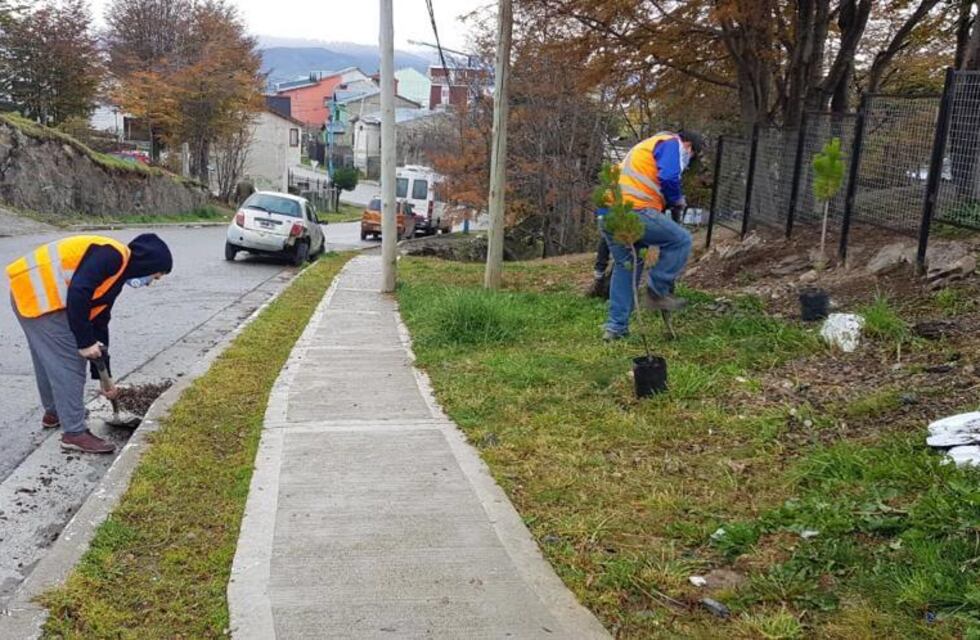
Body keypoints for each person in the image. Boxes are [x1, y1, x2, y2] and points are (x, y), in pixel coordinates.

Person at [6, 234, 173, 454]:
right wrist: (84, 343)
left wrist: (104, 377)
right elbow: (79, 291)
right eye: (155, 276)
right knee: (69, 363)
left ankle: (55, 412)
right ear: (147, 264)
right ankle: (74, 433)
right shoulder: (113, 256)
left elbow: (100, 322)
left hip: (30, 293)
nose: (151, 283)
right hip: (40, 297)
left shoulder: (116, 275)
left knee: (47, 358)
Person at [601, 129, 702, 341]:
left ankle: (615, 328)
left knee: (627, 266)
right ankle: (656, 292)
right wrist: (676, 199)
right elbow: (668, 176)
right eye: (690, 157)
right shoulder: (671, 143)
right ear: (689, 146)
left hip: (610, 212)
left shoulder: (642, 150)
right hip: (635, 210)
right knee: (681, 240)